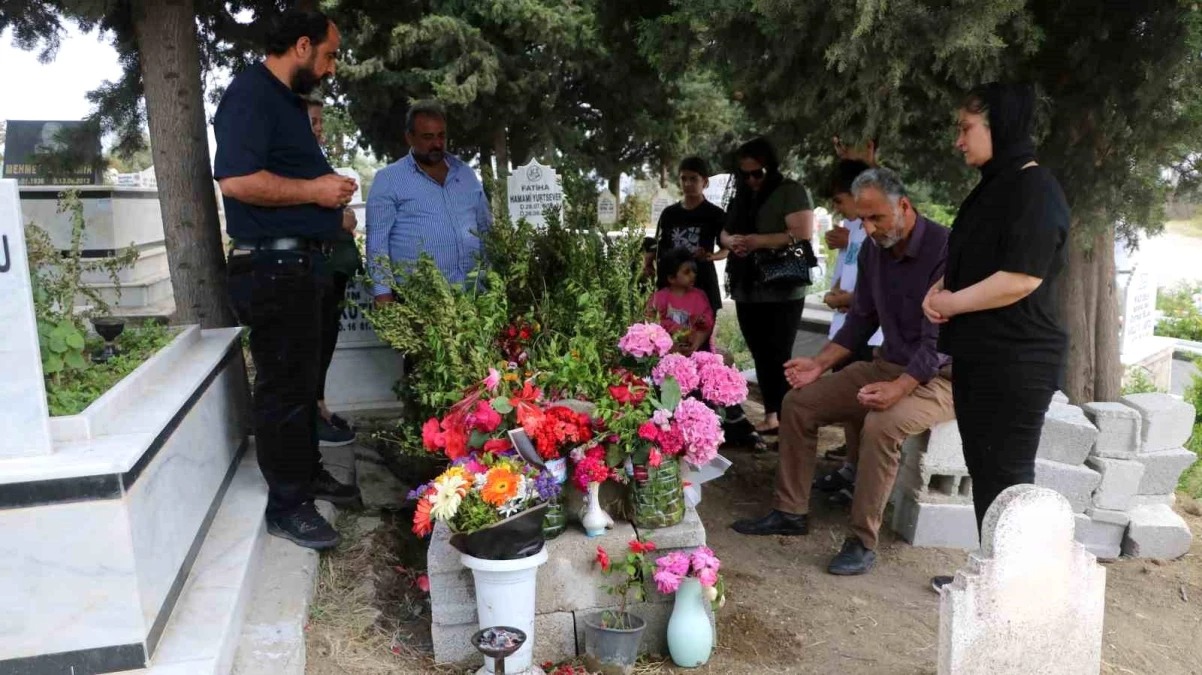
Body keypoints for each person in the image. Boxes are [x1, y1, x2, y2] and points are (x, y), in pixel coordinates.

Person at [732, 168, 954, 577]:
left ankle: (862, 540)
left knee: (882, 424)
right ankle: (790, 511)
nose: (869, 229)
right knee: (798, 403)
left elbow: (937, 343)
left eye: (877, 219)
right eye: (862, 220)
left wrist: (898, 388)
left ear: (904, 207)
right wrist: (819, 363)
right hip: (887, 362)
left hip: (940, 378)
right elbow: (861, 319)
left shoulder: (945, 248)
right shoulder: (872, 249)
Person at [215, 9, 361, 550]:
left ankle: (306, 472)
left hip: (300, 264)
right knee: (283, 388)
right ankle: (287, 504)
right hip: (272, 268)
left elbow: (290, 183)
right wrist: (317, 194)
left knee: (303, 386)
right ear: (302, 46)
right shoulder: (250, 96)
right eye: (328, 54)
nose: (331, 67)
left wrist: (330, 215)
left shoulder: (285, 103)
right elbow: (236, 180)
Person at [924, 83, 1069, 591]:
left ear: (1000, 126)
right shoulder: (994, 186)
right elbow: (978, 260)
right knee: (985, 471)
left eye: (966, 128)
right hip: (983, 355)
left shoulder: (1036, 188)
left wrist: (952, 303)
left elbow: (1022, 277)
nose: (958, 141)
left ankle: (1010, 592)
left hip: (1018, 361)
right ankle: (992, 578)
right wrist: (941, 288)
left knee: (1006, 477)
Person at [720, 137, 816, 438]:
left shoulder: (791, 192)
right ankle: (772, 414)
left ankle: (789, 417)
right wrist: (729, 241)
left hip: (782, 286)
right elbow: (724, 230)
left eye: (756, 173)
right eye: (744, 174)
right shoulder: (741, 196)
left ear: (770, 168)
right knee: (760, 353)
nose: (750, 179)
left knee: (779, 353)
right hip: (748, 286)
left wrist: (758, 241)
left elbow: (802, 232)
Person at [366, 101, 492, 303]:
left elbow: (486, 229)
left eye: (441, 136)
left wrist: (492, 281)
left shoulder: (466, 174)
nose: (437, 143)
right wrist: (383, 296)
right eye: (428, 137)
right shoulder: (389, 179)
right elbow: (376, 245)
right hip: (419, 303)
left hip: (474, 299)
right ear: (409, 137)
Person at [814, 159, 885, 505]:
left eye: (840, 201)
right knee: (851, 411)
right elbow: (848, 269)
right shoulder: (853, 229)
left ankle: (861, 480)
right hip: (849, 327)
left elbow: (883, 291)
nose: (837, 209)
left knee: (865, 410)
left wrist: (849, 298)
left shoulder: (877, 229)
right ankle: (850, 465)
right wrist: (837, 293)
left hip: (871, 335)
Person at [306, 98, 362, 448]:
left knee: (325, 344)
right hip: (314, 269)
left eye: (320, 122)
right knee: (314, 345)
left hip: (333, 269)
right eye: (313, 122)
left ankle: (320, 406)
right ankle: (312, 413)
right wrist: (338, 220)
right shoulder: (293, 167)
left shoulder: (314, 161)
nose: (319, 129)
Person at [647, 247, 716, 355]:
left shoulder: (699, 296)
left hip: (694, 349)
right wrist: (674, 330)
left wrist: (704, 321)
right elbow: (650, 321)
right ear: (671, 278)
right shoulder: (660, 297)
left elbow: (709, 318)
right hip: (666, 351)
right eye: (687, 272)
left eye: (694, 271)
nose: (693, 275)